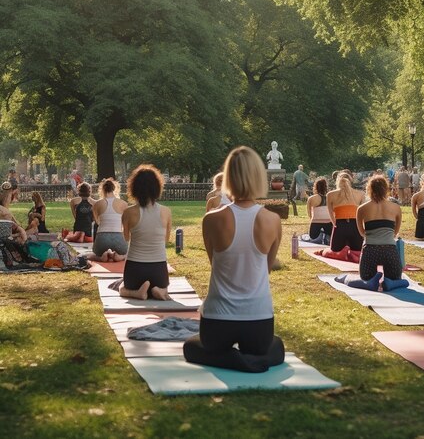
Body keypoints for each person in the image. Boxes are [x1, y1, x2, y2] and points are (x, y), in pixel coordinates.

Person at [183, 146, 284, 372]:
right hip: (258, 321)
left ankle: (232, 359)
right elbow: (265, 269)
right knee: (276, 346)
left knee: (191, 346)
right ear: (259, 176)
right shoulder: (272, 220)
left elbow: (215, 264)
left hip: (218, 321)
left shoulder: (211, 219)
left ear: (228, 177)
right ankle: (252, 359)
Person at [119, 165, 172, 301]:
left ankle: (137, 293)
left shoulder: (129, 212)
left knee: (121, 287)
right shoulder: (166, 211)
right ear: (157, 188)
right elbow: (165, 240)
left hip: (135, 268)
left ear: (134, 188)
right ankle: (159, 290)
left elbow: (126, 237)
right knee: (164, 287)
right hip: (159, 269)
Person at [356, 175, 403, 281]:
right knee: (395, 280)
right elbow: (395, 232)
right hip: (390, 250)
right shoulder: (396, 208)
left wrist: (372, 237)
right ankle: (388, 283)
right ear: (386, 189)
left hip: (370, 250)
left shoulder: (362, 208)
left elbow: (362, 232)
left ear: (369, 189)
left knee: (366, 279)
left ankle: (374, 281)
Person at [91, 178, 128, 262]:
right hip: (119, 238)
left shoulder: (97, 204)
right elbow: (125, 224)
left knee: (93, 255)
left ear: (102, 189)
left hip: (102, 239)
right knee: (128, 254)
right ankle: (119, 257)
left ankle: (101, 257)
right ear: (114, 188)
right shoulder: (124, 204)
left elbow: (97, 222)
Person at [327, 172, 366, 252]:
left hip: (340, 225)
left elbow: (331, 215)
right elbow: (363, 214)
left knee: (335, 251)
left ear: (337, 181)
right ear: (350, 181)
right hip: (355, 226)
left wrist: (335, 224)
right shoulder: (361, 194)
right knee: (357, 252)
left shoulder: (330, 195)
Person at [306, 178, 333, 243]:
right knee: (330, 237)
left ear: (315, 187)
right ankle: (324, 235)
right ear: (326, 187)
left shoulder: (311, 198)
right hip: (328, 223)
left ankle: (322, 234)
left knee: (313, 237)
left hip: (316, 223)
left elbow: (309, 214)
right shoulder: (331, 197)